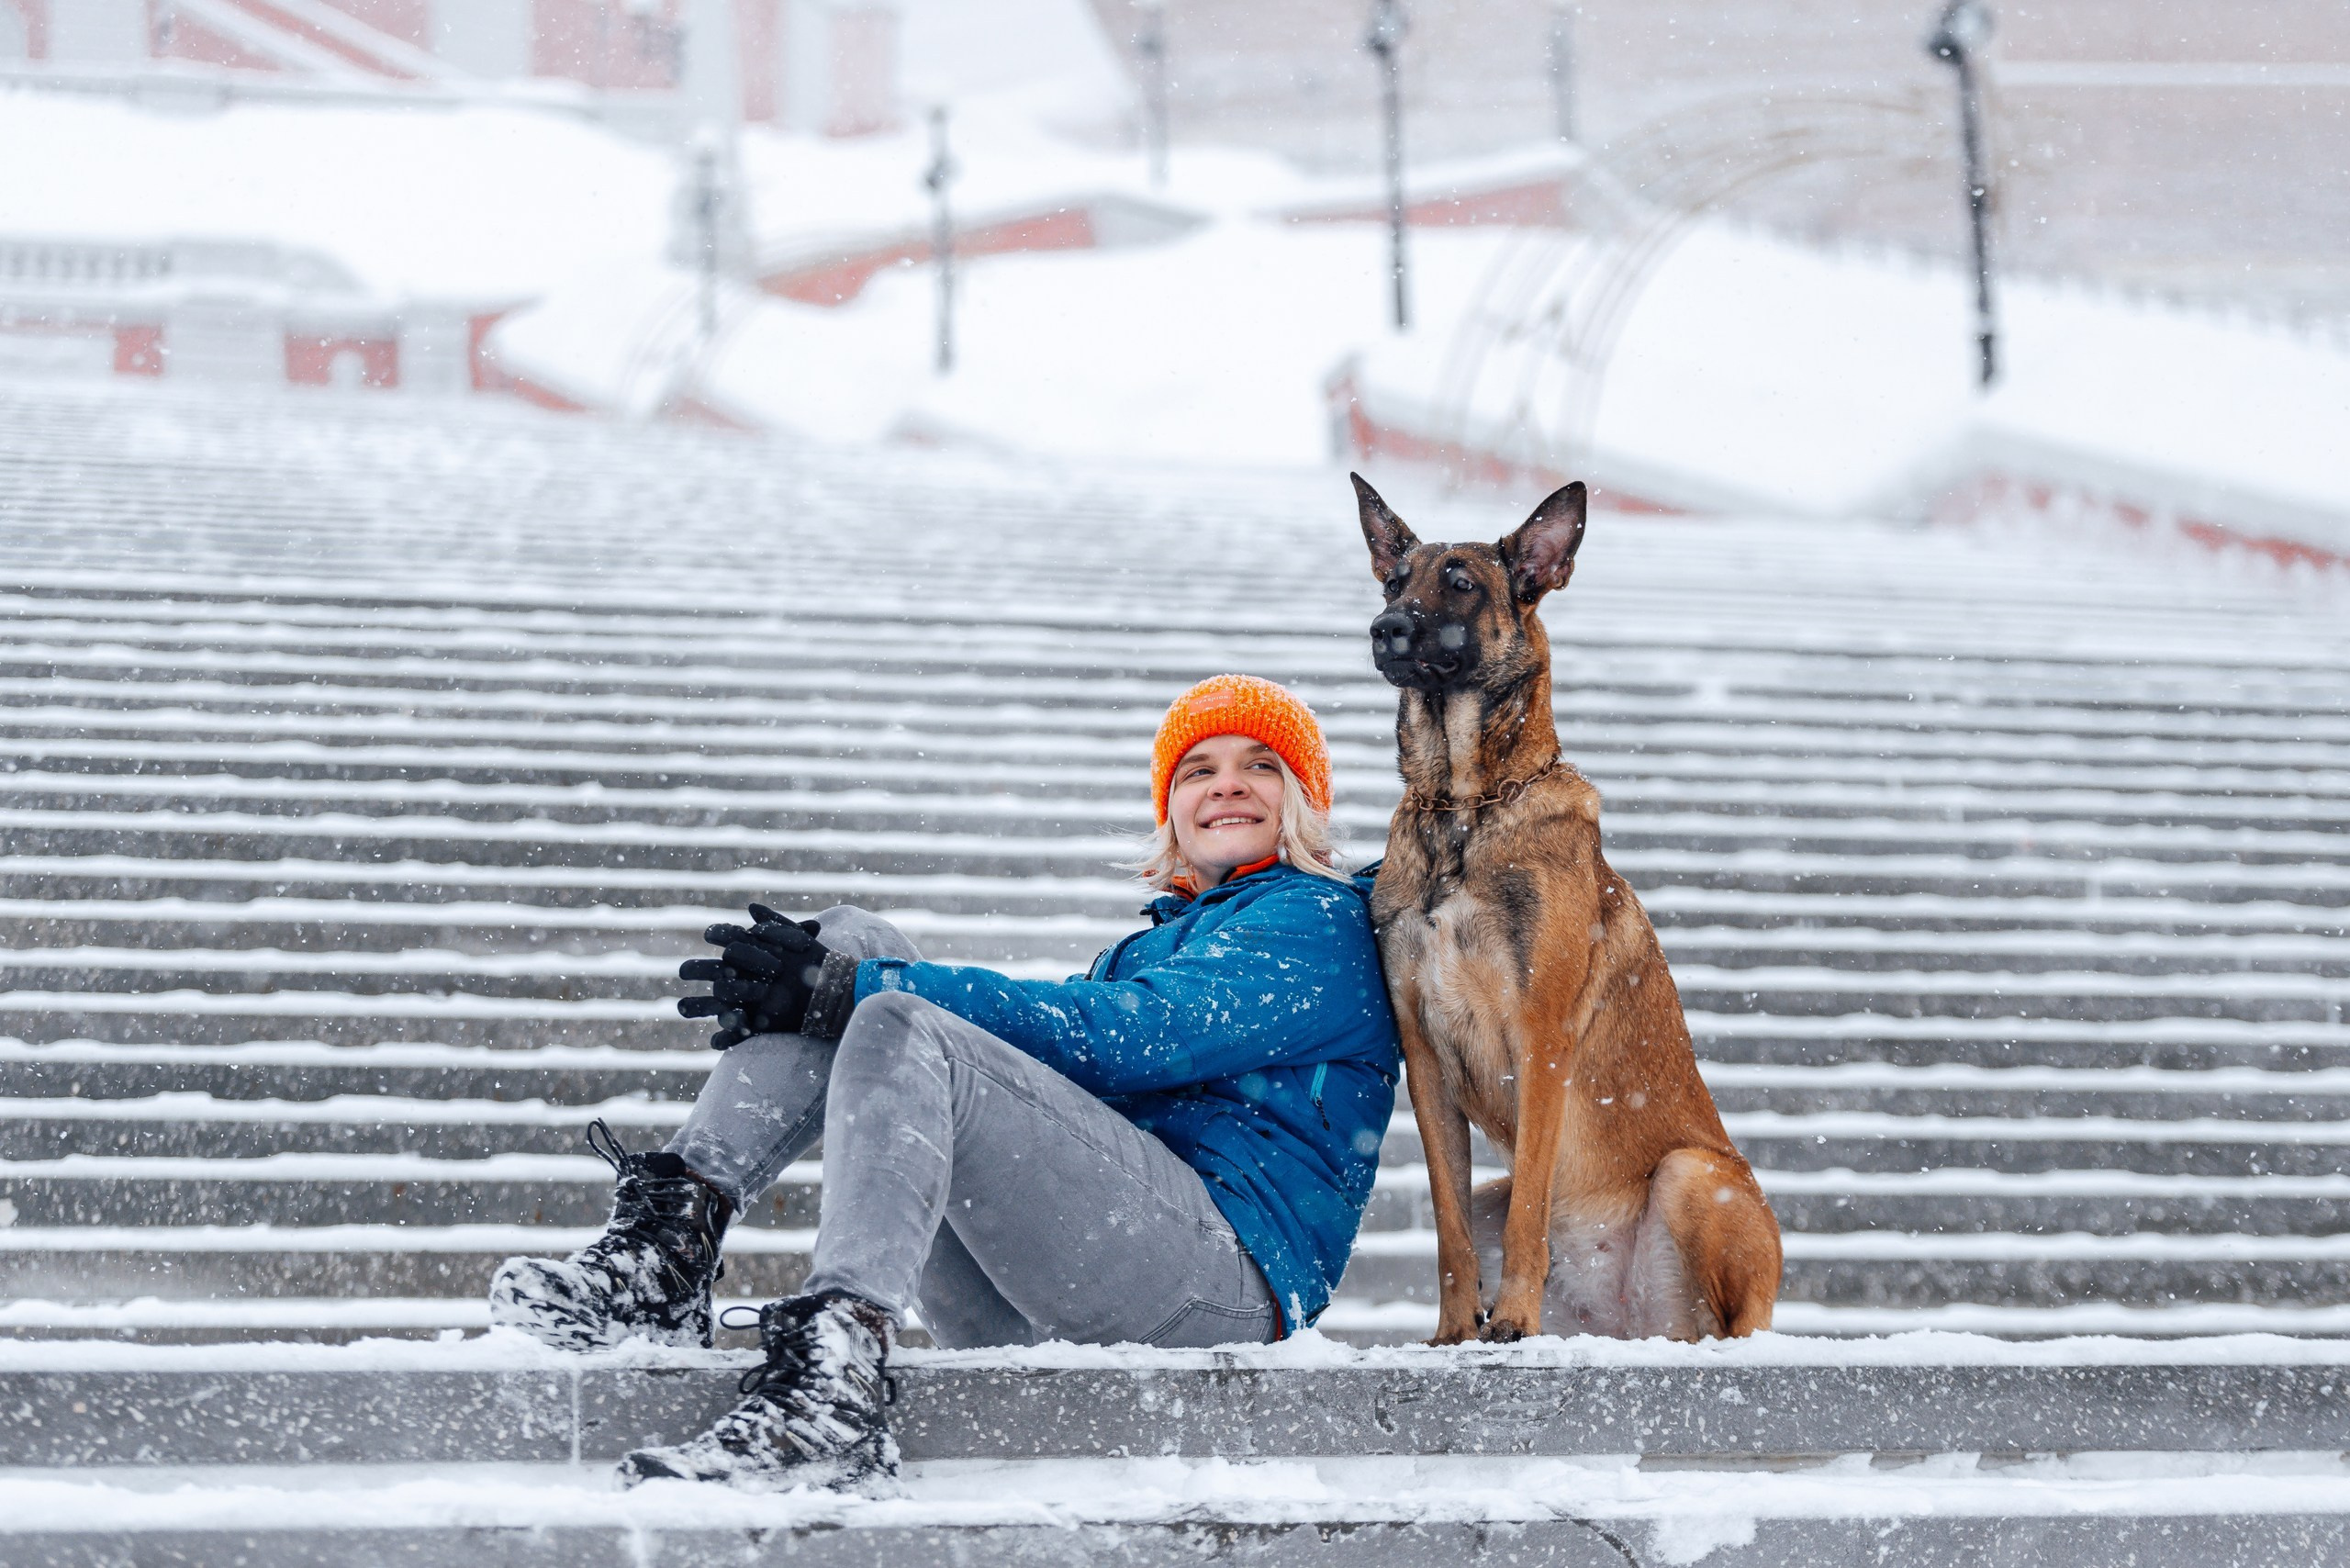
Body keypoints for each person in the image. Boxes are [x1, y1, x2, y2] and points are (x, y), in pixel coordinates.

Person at [487, 673, 1401, 1492]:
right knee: (854, 940)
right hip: (1083, 1275)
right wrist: (847, 978)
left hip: (1219, 1291)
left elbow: (1126, 1037)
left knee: (890, 1011)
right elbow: (1069, 1089)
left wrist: (863, 995)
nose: (1227, 782)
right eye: (1197, 768)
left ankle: (835, 1377)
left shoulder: (1316, 920)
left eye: (1261, 764)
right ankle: (666, 1253)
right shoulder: (1146, 942)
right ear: (1171, 806)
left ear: (1304, 801)